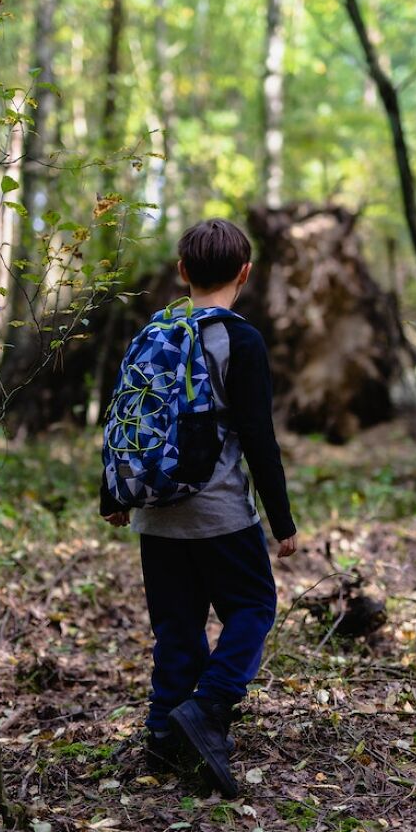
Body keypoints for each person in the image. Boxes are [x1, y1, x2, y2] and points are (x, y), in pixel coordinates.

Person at [102, 218, 297, 798]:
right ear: (245, 273)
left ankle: (163, 734)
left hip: (153, 511)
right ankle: (207, 707)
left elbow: (123, 415)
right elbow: (258, 437)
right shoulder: (240, 340)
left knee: (176, 625)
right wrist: (281, 521)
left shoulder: (154, 332)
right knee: (254, 606)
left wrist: (114, 493)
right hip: (217, 511)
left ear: (182, 271)